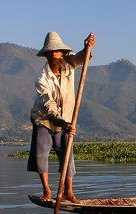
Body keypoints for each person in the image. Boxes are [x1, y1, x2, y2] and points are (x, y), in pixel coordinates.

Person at [27, 31, 96, 202]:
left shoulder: (69, 63)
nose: (55, 55)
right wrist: (62, 122)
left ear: (62, 53)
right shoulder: (42, 77)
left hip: (66, 118)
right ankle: (47, 191)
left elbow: (82, 58)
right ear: (47, 55)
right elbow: (48, 105)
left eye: (57, 51)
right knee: (41, 154)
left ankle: (68, 191)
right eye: (51, 52)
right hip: (43, 119)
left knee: (67, 154)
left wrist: (87, 47)